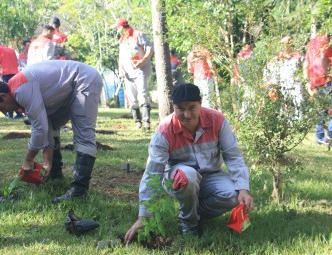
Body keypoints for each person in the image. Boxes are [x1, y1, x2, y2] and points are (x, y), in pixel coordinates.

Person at [124, 83, 254, 242]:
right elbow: (152, 173)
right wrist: (143, 216)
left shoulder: (217, 120)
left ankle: (190, 212)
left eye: (192, 107)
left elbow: (233, 156)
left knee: (233, 198)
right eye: (180, 108)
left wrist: (243, 189)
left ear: (200, 103)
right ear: (174, 107)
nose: (187, 114)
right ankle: (189, 224)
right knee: (188, 176)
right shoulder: (164, 131)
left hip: (211, 176)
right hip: (178, 178)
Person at [0, 60, 103, 203]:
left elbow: (40, 129)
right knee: (52, 123)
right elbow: (46, 126)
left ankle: (79, 191)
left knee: (84, 135)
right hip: (72, 85)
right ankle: (55, 174)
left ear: (3, 96)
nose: (3, 112)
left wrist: (28, 159)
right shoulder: (19, 92)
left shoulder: (21, 90)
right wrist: (47, 162)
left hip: (84, 79)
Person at [112, 17, 153, 129]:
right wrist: (121, 68)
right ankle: (137, 122)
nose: (117, 30)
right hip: (128, 73)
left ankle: (146, 121)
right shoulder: (122, 39)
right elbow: (121, 55)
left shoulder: (138, 34)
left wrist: (143, 60)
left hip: (141, 70)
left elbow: (150, 48)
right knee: (132, 97)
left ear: (122, 27)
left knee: (142, 94)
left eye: (117, 28)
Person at [304, 34, 332, 148]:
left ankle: (319, 138)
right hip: (325, 81)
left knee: (321, 110)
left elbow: (305, 65)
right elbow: (322, 60)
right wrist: (331, 78)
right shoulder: (325, 44)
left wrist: (307, 83)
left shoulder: (311, 46)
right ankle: (329, 136)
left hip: (314, 81)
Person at [263, 36, 304, 117]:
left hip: (296, 86)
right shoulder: (278, 58)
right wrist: (271, 87)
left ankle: (300, 127)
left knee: (299, 106)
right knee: (286, 110)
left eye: (287, 43)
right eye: (283, 44)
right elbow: (268, 69)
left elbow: (305, 68)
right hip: (284, 87)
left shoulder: (298, 55)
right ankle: (289, 127)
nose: (284, 46)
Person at [0, 41, 23, 119]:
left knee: (7, 93)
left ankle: (13, 113)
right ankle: (17, 113)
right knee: (14, 92)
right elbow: (17, 62)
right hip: (15, 73)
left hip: (6, 73)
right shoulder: (11, 50)